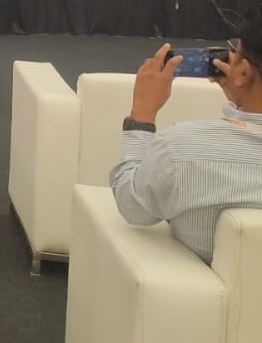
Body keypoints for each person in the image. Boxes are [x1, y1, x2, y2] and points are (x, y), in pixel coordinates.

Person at [111, 26, 262, 263]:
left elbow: (131, 206)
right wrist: (245, 101)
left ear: (243, 70)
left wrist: (142, 114)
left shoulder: (180, 149)